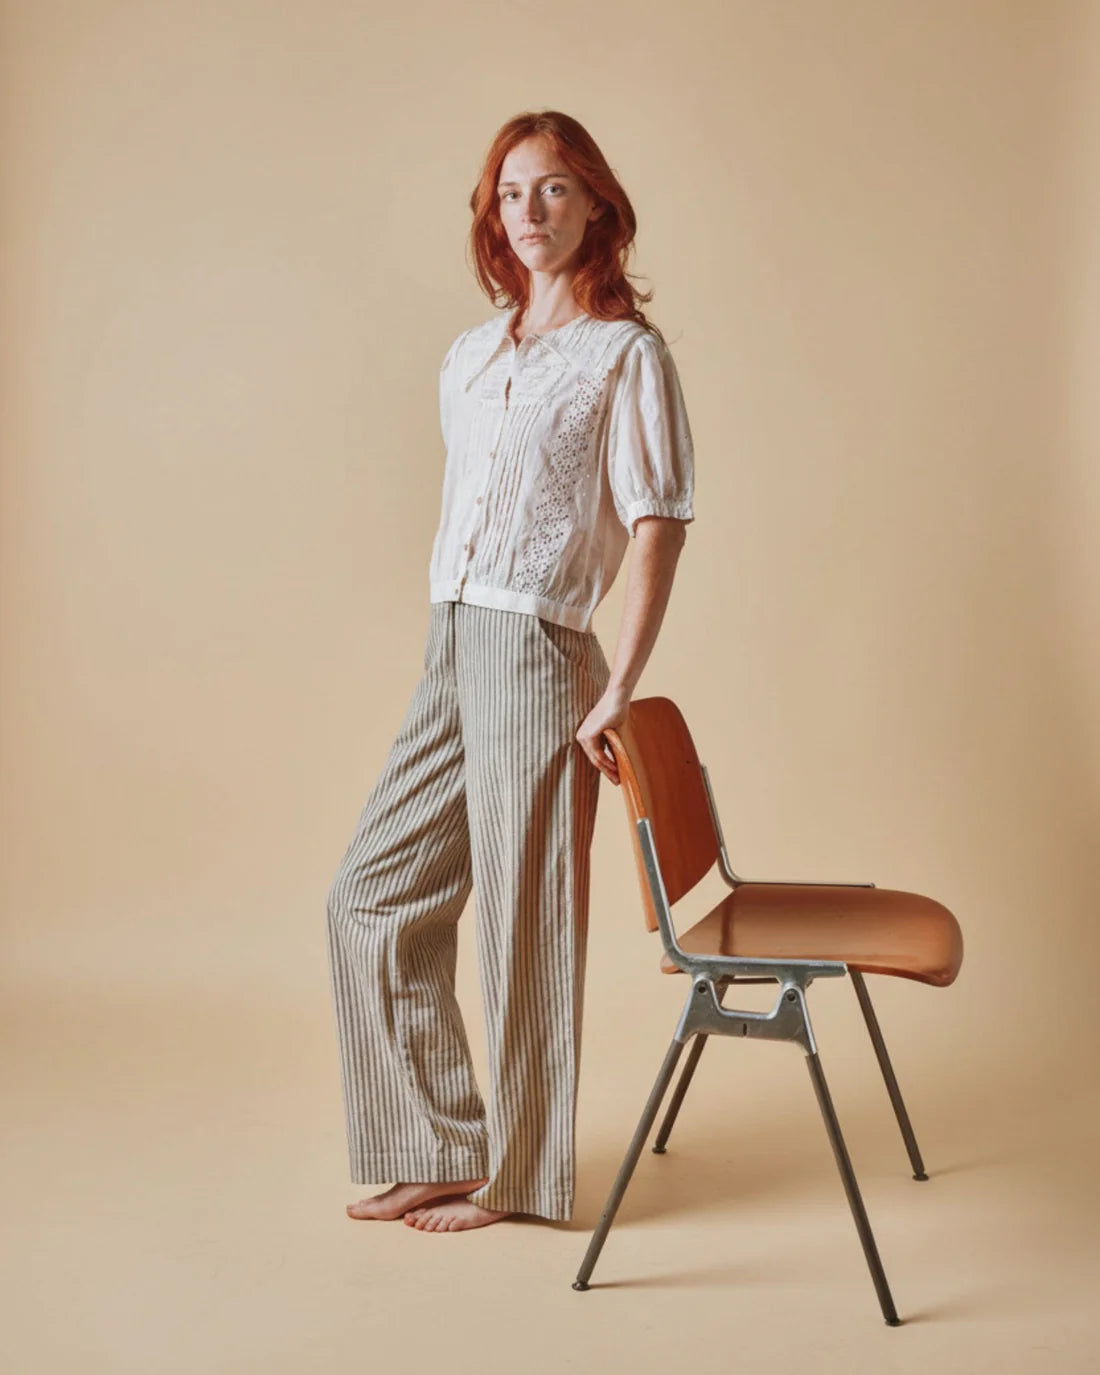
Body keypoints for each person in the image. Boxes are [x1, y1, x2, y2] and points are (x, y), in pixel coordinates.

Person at [325, 110, 695, 1234]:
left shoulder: (624, 355)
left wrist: (616, 685)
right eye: (511, 193)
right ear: (492, 213)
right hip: (452, 638)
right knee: (370, 893)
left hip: (540, 648)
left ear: (596, 205)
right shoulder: (471, 356)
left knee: (524, 923)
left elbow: (657, 522)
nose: (529, 211)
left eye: (554, 189)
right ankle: (435, 1146)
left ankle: (524, 1176)